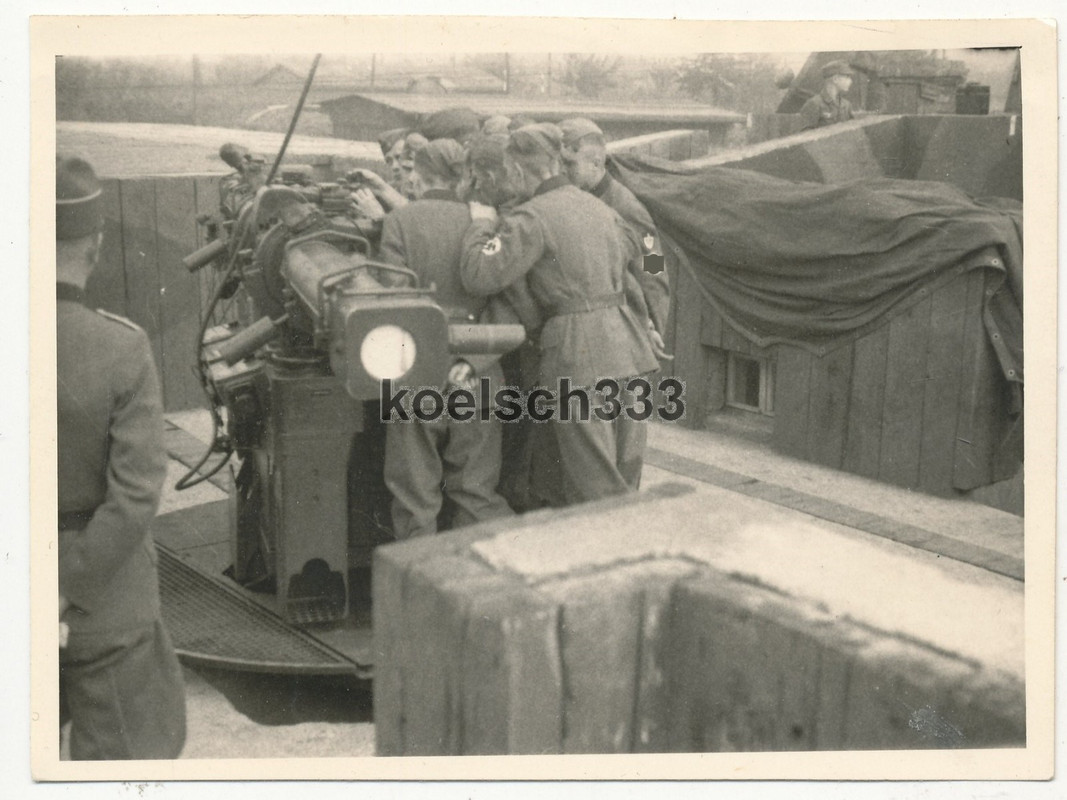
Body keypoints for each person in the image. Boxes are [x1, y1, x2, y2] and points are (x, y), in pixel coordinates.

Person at [56, 155, 186, 760]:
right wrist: (64, 587)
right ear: (97, 244)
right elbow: (136, 495)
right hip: (104, 603)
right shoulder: (120, 347)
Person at [460, 124, 659, 506]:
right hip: (627, 348)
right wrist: (643, 324)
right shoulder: (604, 205)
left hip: (577, 352)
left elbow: (652, 263)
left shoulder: (533, 217)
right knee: (619, 472)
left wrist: (482, 223)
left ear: (518, 172)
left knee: (595, 481)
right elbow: (626, 268)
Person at [377, 139, 514, 538]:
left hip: (416, 366)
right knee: (476, 488)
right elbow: (508, 300)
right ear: (464, 177)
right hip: (478, 369)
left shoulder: (399, 221)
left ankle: (416, 583)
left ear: (419, 174)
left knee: (414, 494)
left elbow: (392, 295)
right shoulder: (489, 222)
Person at [559, 117, 671, 359]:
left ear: (596, 163)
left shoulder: (626, 208)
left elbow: (653, 270)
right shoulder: (575, 198)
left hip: (622, 335)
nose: (563, 173)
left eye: (570, 165)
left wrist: (652, 328)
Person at [799, 60, 855, 130]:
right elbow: (806, 136)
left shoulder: (846, 105)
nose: (851, 81)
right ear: (835, 79)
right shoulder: (814, 104)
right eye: (847, 77)